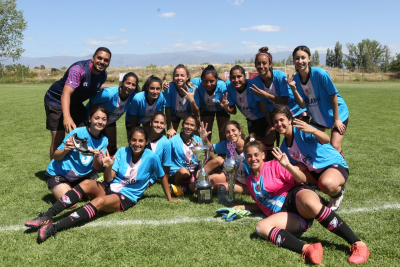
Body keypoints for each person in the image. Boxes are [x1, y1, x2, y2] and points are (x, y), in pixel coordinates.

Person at [26, 127, 170, 243]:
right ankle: (47, 215)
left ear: (146, 142)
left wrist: (169, 197)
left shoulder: (152, 157)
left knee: (99, 201)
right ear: (129, 140)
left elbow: (162, 176)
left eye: (141, 141)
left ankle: (54, 228)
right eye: (134, 140)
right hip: (111, 187)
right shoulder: (122, 151)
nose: (137, 144)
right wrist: (108, 166)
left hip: (126, 197)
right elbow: (108, 179)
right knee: (87, 183)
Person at [233, 141, 370, 265]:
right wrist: (243, 207)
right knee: (261, 227)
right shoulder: (250, 181)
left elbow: (299, 179)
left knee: (311, 204)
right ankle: (309, 249)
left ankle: (358, 244)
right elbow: (263, 204)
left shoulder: (274, 165)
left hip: (296, 195)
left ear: (263, 155)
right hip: (286, 213)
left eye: (256, 154)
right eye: (249, 156)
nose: (253, 159)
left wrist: (287, 165)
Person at [272, 104, 348, 210]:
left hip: (331, 164)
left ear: (289, 120)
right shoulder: (284, 147)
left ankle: (338, 193)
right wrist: (287, 167)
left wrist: (313, 130)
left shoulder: (301, 130)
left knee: (326, 184)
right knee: (291, 176)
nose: (279, 124)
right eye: (275, 122)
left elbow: (326, 139)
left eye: (281, 120)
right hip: (314, 171)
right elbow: (299, 167)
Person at [44, 47, 112, 160]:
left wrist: (119, 87)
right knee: (59, 137)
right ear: (93, 58)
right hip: (56, 100)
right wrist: (67, 117)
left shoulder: (103, 74)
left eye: (106, 60)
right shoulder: (78, 70)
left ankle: (84, 168)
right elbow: (66, 93)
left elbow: (96, 86)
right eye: (99, 58)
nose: (102, 62)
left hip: (74, 102)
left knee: (86, 132)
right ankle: (53, 172)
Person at [286, 45, 349, 156]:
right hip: (318, 117)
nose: (300, 61)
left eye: (303, 57)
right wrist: (294, 89)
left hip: (337, 114)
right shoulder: (295, 79)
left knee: (335, 145)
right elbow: (302, 105)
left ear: (309, 58)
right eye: (297, 58)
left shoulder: (321, 74)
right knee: (306, 140)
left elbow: (333, 96)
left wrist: (337, 120)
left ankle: (340, 171)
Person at [43, 105, 109, 207]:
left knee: (101, 195)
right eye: (97, 118)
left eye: (104, 119)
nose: (100, 122)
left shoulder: (104, 140)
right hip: (58, 174)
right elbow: (56, 156)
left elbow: (97, 167)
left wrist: (96, 157)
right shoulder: (77, 133)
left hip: (79, 177)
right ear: (90, 119)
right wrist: (65, 150)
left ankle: (74, 187)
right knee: (71, 204)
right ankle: (62, 187)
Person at [249, 46, 307, 160]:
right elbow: (263, 106)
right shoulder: (255, 81)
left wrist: (265, 94)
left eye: (264, 63)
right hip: (278, 116)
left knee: (296, 139)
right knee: (269, 137)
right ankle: (270, 164)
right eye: (258, 64)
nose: (261, 66)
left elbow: (285, 100)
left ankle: (301, 163)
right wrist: (271, 124)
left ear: (270, 64)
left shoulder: (279, 76)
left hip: (295, 112)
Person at [86, 72, 139, 155]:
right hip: (94, 120)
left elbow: (145, 95)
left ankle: (111, 166)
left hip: (110, 121)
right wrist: (94, 118)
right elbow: (93, 100)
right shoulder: (108, 94)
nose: (130, 87)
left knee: (112, 147)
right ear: (122, 82)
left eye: (133, 85)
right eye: (128, 83)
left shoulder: (133, 95)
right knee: (92, 145)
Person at [199, 120, 251, 194]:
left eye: (233, 130)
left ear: (239, 131)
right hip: (233, 177)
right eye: (227, 132)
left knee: (221, 187)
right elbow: (211, 148)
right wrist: (204, 137)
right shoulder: (228, 144)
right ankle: (186, 187)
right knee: (211, 179)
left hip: (247, 184)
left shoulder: (250, 147)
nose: (231, 134)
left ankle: (201, 193)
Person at [219, 65, 268, 144]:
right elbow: (233, 111)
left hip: (263, 118)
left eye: (239, 77)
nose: (236, 80)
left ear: (245, 76)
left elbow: (263, 105)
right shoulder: (229, 86)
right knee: (253, 143)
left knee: (262, 143)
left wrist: (270, 123)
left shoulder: (253, 85)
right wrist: (226, 108)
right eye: (233, 77)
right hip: (250, 119)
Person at [147, 112, 182, 202]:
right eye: (156, 122)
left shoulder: (166, 143)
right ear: (151, 122)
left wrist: (169, 196)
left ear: (165, 125)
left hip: (149, 177)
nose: (159, 125)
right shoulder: (142, 136)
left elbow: (166, 171)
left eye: (162, 123)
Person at [191, 65, 229, 142]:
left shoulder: (222, 85)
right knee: (206, 134)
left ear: (217, 79)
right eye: (205, 81)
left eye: (212, 81)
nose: (208, 84)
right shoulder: (196, 82)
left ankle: (223, 153)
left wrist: (224, 79)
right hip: (206, 108)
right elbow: (184, 80)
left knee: (224, 134)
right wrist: (169, 82)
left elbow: (232, 83)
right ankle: (206, 153)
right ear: (201, 79)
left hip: (222, 108)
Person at [168, 114, 203, 196]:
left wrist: (199, 151)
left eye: (192, 125)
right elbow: (165, 159)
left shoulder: (198, 140)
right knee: (183, 171)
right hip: (178, 172)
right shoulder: (173, 140)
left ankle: (184, 188)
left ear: (195, 128)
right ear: (183, 124)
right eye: (186, 124)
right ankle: (190, 185)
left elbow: (203, 160)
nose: (188, 127)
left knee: (216, 162)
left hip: (194, 172)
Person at [164, 64, 200, 138]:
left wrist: (192, 101)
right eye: (176, 75)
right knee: (170, 135)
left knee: (195, 135)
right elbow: (167, 109)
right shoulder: (169, 88)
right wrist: (170, 128)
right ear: (173, 77)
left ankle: (194, 147)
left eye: (182, 75)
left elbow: (196, 112)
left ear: (187, 77)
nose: (179, 78)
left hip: (189, 114)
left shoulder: (193, 89)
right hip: (174, 114)